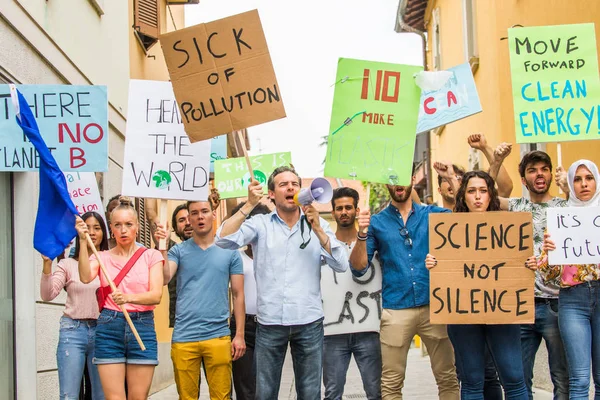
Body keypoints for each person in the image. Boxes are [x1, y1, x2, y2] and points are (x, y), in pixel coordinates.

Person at [216, 166, 349, 400]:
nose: (290, 188)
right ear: (271, 194)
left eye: (294, 184)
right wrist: (248, 205)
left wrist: (318, 228)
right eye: (283, 184)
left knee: (309, 394)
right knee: (265, 394)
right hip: (269, 323)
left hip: (309, 322)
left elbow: (341, 264)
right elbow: (223, 239)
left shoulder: (316, 225)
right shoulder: (260, 224)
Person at [349, 163, 460, 400]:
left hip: (435, 306)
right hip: (396, 309)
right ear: (386, 183)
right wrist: (362, 232)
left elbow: (465, 215)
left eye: (401, 177)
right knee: (390, 383)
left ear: (411, 178)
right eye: (392, 178)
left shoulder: (433, 214)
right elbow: (358, 269)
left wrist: (450, 177)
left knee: (448, 378)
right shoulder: (376, 222)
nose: (398, 184)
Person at [426, 170, 529, 399]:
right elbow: (446, 268)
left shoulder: (509, 227)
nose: (478, 197)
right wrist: (434, 263)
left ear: (491, 195)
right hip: (463, 316)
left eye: (483, 191)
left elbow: (517, 262)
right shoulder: (448, 229)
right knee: (471, 381)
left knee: (513, 379)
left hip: (503, 313)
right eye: (472, 191)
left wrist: (527, 262)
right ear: (463, 197)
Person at [493, 149, 569, 399]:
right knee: (518, 378)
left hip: (558, 304)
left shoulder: (565, 206)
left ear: (550, 174)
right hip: (521, 305)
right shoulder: (516, 206)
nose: (540, 174)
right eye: (532, 170)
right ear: (524, 179)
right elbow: (485, 196)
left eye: (544, 169)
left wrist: (568, 188)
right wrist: (493, 157)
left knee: (562, 377)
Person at [76, 197, 165, 400]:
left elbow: (156, 295)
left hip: (142, 325)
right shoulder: (102, 257)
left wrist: (127, 297)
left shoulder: (151, 255)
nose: (123, 230)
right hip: (109, 325)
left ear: (137, 227)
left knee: (138, 397)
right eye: (117, 225)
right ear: (111, 229)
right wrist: (83, 242)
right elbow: (84, 276)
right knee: (114, 397)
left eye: (128, 224)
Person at [162, 200, 246, 400]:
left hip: (218, 335)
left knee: (221, 397)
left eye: (205, 211)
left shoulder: (230, 251)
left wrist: (239, 334)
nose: (200, 217)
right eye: (195, 213)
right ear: (189, 219)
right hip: (184, 337)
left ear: (213, 214)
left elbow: (238, 293)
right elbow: (164, 277)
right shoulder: (178, 251)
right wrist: (162, 246)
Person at [537, 159, 600, 398]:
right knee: (580, 378)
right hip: (573, 301)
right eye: (577, 179)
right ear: (571, 184)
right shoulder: (560, 218)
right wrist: (550, 252)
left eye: (589, 178)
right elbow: (548, 275)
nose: (584, 184)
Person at [41, 211, 109, 400]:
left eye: (97, 228)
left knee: (101, 395)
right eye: (88, 228)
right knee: (69, 395)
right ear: (79, 232)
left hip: (103, 331)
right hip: (72, 331)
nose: (93, 232)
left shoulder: (109, 262)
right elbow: (48, 294)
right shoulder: (68, 264)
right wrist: (47, 265)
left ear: (104, 233)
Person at [323, 187, 382, 400]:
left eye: (348, 207)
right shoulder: (324, 245)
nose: (344, 212)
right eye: (339, 208)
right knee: (332, 394)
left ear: (357, 210)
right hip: (331, 333)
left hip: (369, 330)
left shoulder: (373, 243)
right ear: (333, 212)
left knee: (376, 393)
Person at [229, 201, 271, 400]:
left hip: (270, 324)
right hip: (242, 326)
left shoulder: (275, 257)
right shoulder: (235, 257)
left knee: (267, 386)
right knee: (244, 386)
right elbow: (224, 236)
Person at [167, 203, 193, 329]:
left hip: (212, 325)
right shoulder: (173, 250)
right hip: (182, 323)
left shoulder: (215, 247)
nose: (187, 223)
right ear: (175, 228)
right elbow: (151, 216)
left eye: (190, 217)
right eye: (181, 220)